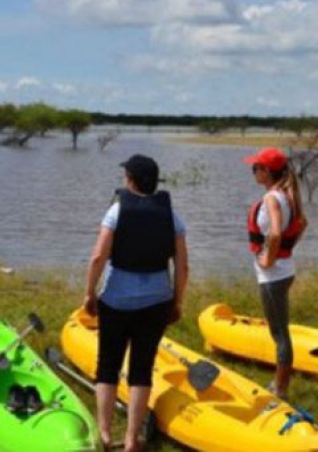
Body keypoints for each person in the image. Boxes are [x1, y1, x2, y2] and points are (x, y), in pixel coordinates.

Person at [83, 154, 188, 452]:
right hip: (157, 302)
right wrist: (177, 301)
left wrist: (89, 293)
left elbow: (97, 257)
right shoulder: (172, 217)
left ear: (130, 181)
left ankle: (103, 433)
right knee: (142, 368)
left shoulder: (116, 213)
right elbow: (183, 266)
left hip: (116, 301)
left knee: (108, 366)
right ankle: (131, 439)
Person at [243, 147, 307, 401]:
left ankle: (280, 389)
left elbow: (277, 232)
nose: (253, 172)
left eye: (256, 168)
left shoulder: (272, 198)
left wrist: (268, 260)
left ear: (267, 171)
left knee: (279, 333)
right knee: (279, 330)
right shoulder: (286, 194)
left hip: (274, 276)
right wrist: (284, 252)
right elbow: (303, 224)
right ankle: (279, 383)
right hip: (283, 271)